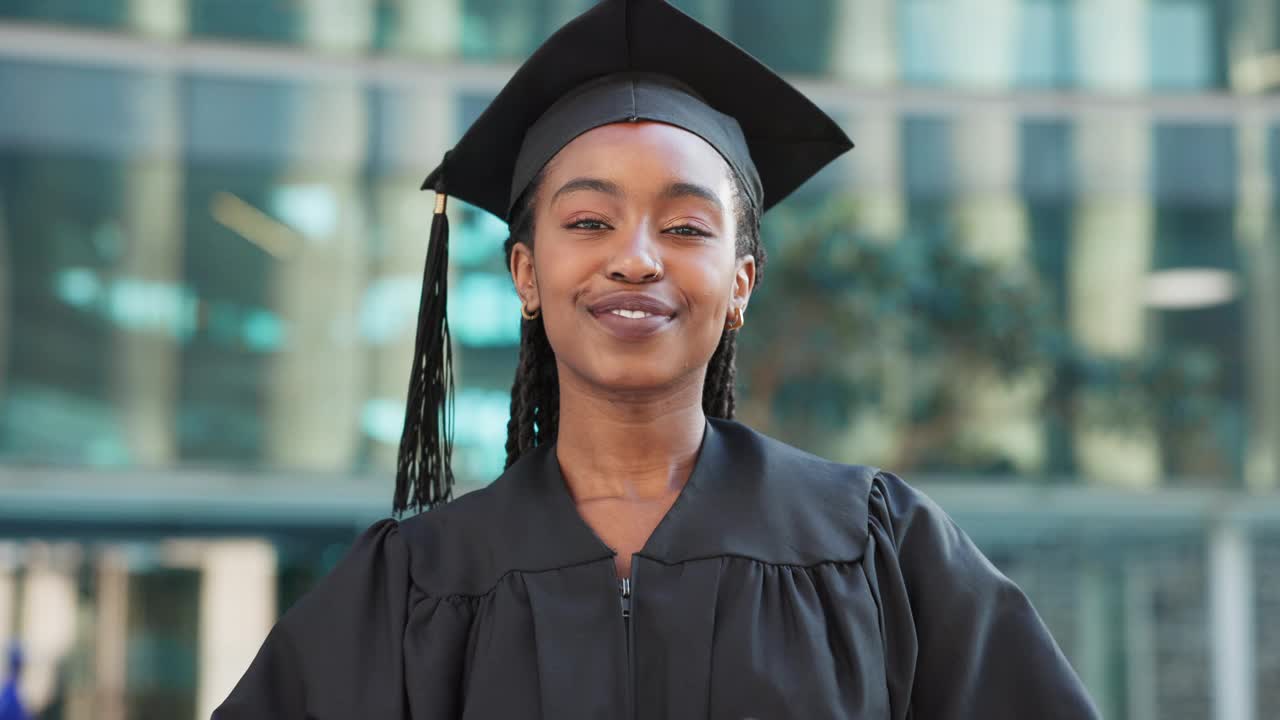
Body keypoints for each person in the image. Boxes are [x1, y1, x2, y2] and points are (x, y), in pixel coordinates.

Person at [215, 1, 1100, 717]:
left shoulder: (873, 546)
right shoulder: (420, 581)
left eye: (685, 228)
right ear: (527, 272)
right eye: (589, 222)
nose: (636, 257)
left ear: (742, 280)